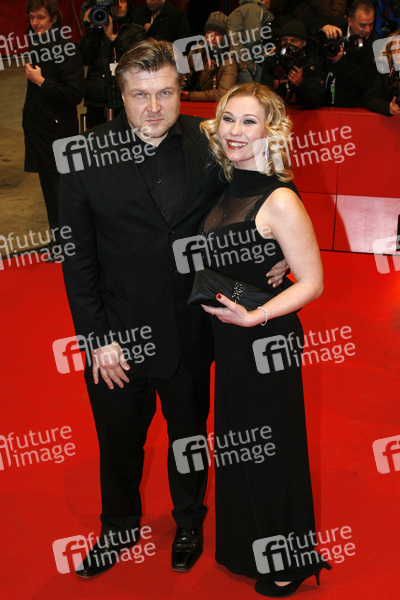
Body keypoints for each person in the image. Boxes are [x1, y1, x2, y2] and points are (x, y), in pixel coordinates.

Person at [58, 38, 288, 579]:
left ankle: (188, 522)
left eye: (165, 92)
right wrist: (97, 339)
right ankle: (117, 527)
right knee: (118, 441)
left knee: (189, 437)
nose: (154, 106)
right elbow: (77, 258)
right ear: (120, 94)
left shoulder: (209, 142)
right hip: (118, 336)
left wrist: (279, 250)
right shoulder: (82, 155)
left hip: (191, 328)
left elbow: (262, 189)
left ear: (181, 89)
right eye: (141, 95)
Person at [199, 83, 329, 597]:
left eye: (249, 121)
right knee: (239, 448)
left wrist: (256, 316)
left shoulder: (279, 198)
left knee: (271, 451)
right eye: (228, 119)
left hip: (265, 343)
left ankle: (288, 562)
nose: (235, 131)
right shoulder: (229, 183)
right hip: (233, 343)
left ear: (271, 131)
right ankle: (247, 546)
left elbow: (313, 282)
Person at [22, 0, 84, 260]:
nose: (35, 22)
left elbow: (74, 94)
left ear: (54, 19)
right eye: (32, 17)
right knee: (49, 192)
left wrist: (42, 81)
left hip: (59, 134)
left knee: (63, 194)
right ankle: (57, 241)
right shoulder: (37, 45)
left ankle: (70, 245)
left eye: (41, 17)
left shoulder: (66, 49)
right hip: (39, 132)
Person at [78, 0, 146, 128]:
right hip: (97, 100)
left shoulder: (136, 31)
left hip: (126, 98)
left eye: (123, 1)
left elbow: (138, 58)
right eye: (114, 2)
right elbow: (83, 58)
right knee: (97, 139)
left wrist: (112, 38)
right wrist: (90, 29)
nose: (119, 6)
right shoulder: (96, 32)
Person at [322, 0, 379, 107]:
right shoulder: (336, 27)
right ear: (350, 21)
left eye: (371, 24)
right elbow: (307, 24)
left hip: (353, 106)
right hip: (323, 102)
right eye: (362, 25)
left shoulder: (375, 44)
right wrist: (323, 28)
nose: (367, 29)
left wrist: (340, 61)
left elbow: (365, 80)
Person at [260, 20, 325, 108]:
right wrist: (273, 86)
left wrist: (300, 83)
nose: (289, 44)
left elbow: (316, 100)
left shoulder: (313, 62)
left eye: (293, 41)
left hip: (305, 112)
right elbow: (262, 95)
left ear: (303, 43)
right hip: (277, 109)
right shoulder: (272, 60)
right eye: (285, 40)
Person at [180, 11, 238, 102]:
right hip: (196, 104)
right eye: (209, 32)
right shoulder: (198, 53)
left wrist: (190, 96)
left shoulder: (229, 60)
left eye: (217, 34)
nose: (212, 37)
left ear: (224, 38)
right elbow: (188, 79)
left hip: (219, 106)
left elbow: (222, 94)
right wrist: (179, 90)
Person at [228, 0, 275, 83]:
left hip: (237, 56)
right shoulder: (254, 9)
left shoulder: (243, 9)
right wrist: (264, 54)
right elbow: (252, 40)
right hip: (242, 60)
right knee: (251, 89)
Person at [364, 29, 400, 115]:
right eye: (393, 49)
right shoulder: (384, 70)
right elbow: (370, 98)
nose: (396, 53)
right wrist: (389, 107)